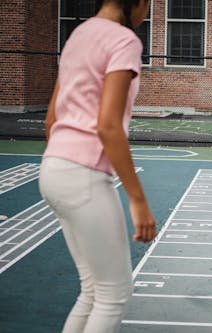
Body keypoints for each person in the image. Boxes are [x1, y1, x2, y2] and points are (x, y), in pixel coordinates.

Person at [38, 1, 156, 332]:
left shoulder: (78, 35)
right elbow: (107, 125)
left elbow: (52, 119)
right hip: (83, 173)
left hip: (54, 168)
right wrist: (138, 200)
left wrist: (65, 161)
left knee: (92, 291)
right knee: (114, 294)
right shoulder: (124, 40)